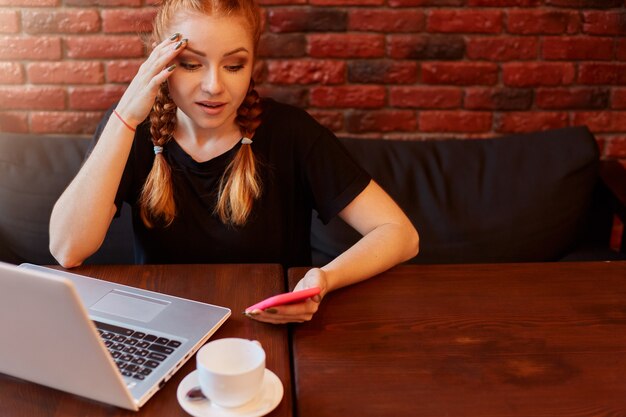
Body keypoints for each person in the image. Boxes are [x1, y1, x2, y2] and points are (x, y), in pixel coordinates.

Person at [49, 0, 419, 324]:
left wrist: (324, 279)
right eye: (191, 65)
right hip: (165, 328)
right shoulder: (130, 131)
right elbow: (68, 249)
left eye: (234, 65)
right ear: (159, 62)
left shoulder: (293, 134)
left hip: (267, 327)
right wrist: (126, 118)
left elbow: (400, 234)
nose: (214, 86)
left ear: (253, 63)